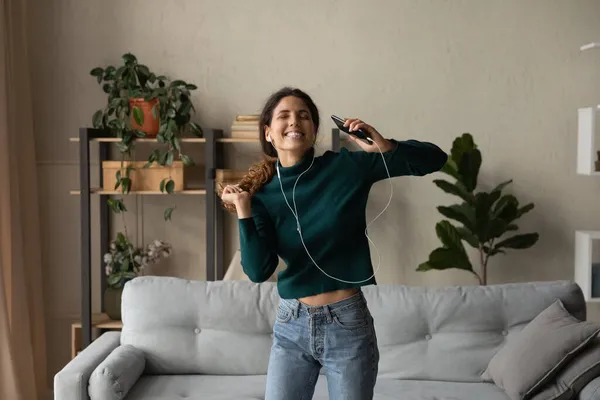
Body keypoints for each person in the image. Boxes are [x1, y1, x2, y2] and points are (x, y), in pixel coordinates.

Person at [219, 87, 448, 400]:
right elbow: (259, 271)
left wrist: (385, 146)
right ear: (268, 133)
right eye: (283, 116)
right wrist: (244, 212)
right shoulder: (261, 195)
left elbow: (435, 159)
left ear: (314, 129)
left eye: (303, 116)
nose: (294, 121)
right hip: (291, 324)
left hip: (347, 323)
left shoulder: (346, 167)